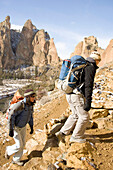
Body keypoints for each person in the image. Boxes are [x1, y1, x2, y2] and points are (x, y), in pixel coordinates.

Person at [56, 51, 101, 143]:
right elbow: (88, 85)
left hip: (69, 94)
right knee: (84, 117)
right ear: (96, 60)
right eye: (99, 61)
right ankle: (76, 136)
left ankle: (62, 133)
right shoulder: (90, 67)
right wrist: (88, 101)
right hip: (76, 95)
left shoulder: (83, 65)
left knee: (75, 115)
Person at [5, 89, 36, 166]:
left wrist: (31, 126)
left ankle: (16, 159)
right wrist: (11, 129)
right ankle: (8, 150)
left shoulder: (30, 105)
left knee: (23, 144)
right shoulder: (20, 105)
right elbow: (11, 116)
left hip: (23, 126)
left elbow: (30, 116)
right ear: (28, 97)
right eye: (32, 96)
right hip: (15, 127)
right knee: (19, 145)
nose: (34, 98)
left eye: (34, 96)